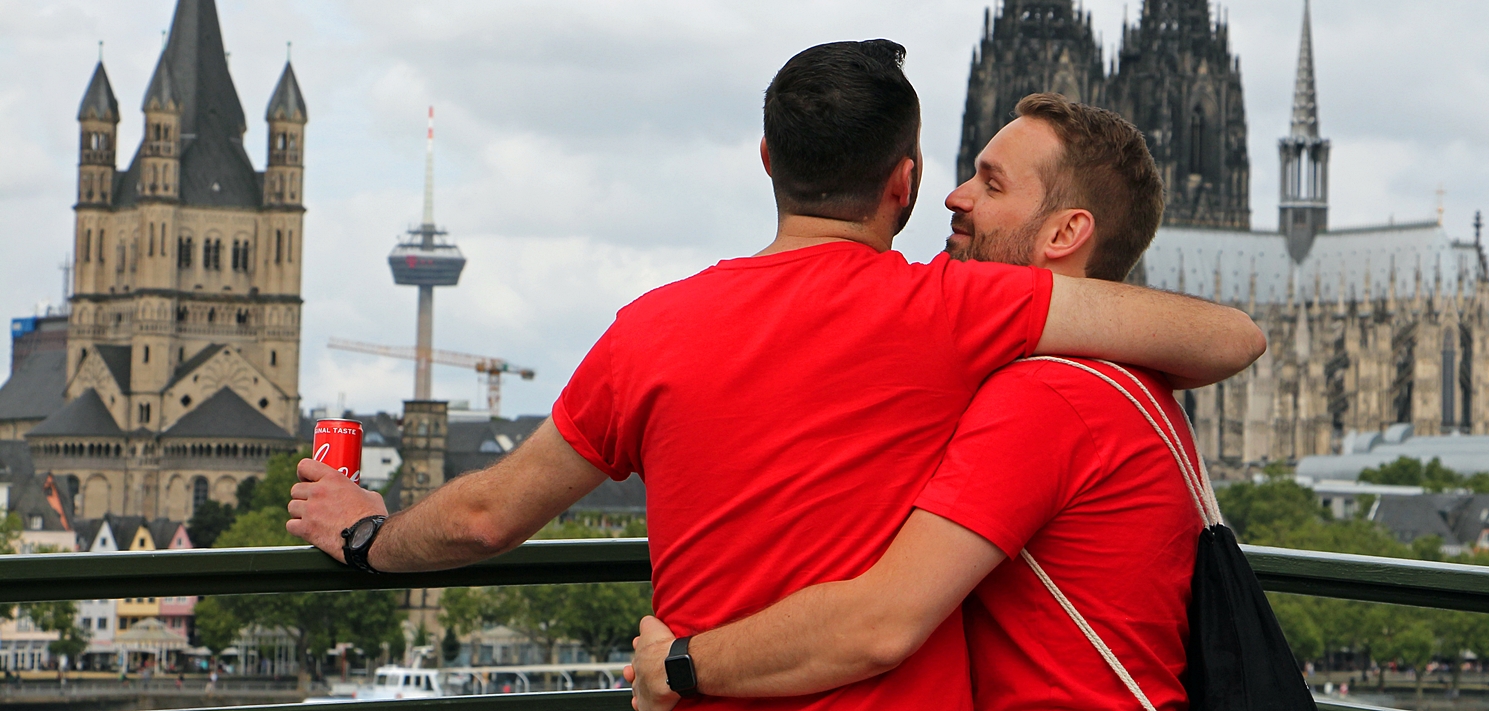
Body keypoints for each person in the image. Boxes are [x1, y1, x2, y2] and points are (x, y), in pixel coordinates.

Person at [288, 43, 1264, 711]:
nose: (962, 199)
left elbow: (483, 517)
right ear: (904, 181)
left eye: (991, 182)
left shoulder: (651, 329)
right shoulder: (954, 311)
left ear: (765, 158)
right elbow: (1226, 336)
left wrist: (367, 535)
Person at [628, 95, 1210, 710]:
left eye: (991, 185)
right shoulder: (1125, 378)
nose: (956, 197)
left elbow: (880, 625)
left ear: (1066, 232)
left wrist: (678, 664)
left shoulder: (1045, 394)